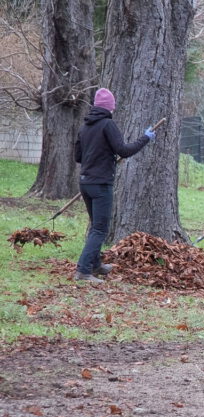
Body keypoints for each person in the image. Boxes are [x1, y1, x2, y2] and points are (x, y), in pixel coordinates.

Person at [73, 88, 155, 282]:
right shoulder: (107, 124)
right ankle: (83, 270)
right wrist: (146, 138)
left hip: (85, 183)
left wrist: (100, 155)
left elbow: (78, 157)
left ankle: (95, 265)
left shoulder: (85, 127)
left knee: (96, 226)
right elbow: (124, 151)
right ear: (110, 107)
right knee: (100, 229)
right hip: (101, 184)